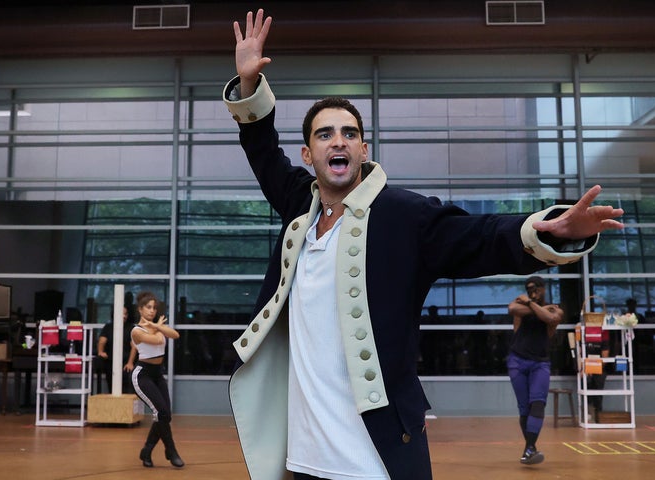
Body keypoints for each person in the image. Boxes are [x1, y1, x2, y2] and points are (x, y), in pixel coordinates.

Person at [222, 9, 624, 480]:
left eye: (350, 133)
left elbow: (481, 236)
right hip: (304, 459)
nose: (340, 141)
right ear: (309, 155)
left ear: (364, 150)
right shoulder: (298, 206)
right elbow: (262, 148)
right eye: (325, 133)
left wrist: (548, 228)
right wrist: (248, 82)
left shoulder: (402, 214)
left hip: (377, 458)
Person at [507, 276, 563, 465]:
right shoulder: (521, 306)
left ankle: (530, 448)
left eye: (535, 288)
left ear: (543, 289)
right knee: (524, 409)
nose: (532, 290)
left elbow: (551, 317)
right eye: (528, 288)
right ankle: (530, 448)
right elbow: (512, 309)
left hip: (540, 363)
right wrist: (536, 308)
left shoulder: (555, 308)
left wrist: (530, 303)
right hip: (517, 361)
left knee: (538, 404)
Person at [130, 291, 184, 468]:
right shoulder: (136, 331)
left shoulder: (156, 326)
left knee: (165, 415)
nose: (152, 310)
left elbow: (175, 335)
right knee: (160, 413)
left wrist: (157, 326)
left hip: (157, 374)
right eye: (148, 307)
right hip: (143, 375)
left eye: (154, 308)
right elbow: (156, 340)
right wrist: (159, 328)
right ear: (140, 309)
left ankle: (146, 450)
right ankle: (171, 451)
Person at [96, 306, 136, 394]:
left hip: (126, 364)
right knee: (112, 389)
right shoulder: (108, 327)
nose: (124, 316)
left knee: (127, 390)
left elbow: (134, 346)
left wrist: (130, 363)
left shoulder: (131, 327)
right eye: (122, 313)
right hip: (111, 363)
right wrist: (100, 352)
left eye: (126, 314)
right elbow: (102, 341)